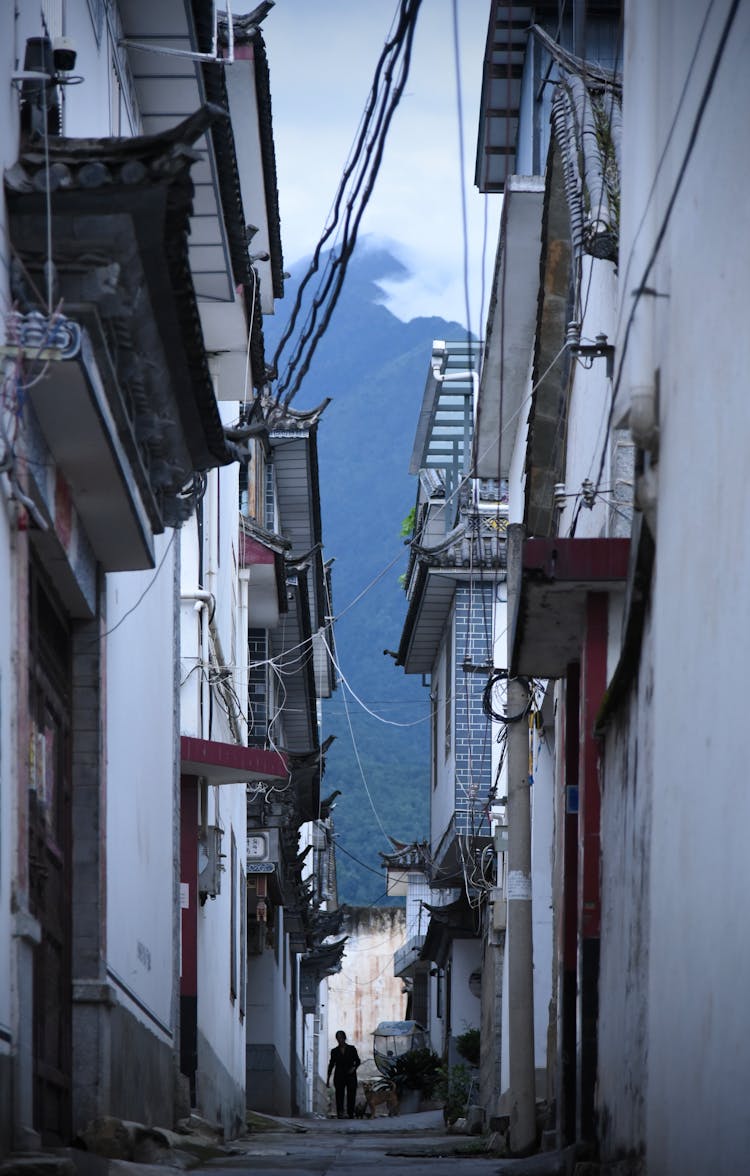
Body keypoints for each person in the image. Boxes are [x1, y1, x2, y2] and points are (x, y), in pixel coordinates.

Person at [326, 1029, 361, 1118]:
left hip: (351, 1075)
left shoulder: (352, 1049)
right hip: (339, 1076)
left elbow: (357, 1061)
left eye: (341, 1038)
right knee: (339, 1095)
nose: (339, 1040)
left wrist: (353, 1068)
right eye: (338, 1038)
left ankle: (350, 1113)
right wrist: (328, 1078)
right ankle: (340, 1113)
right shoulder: (334, 1051)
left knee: (351, 1095)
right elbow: (331, 1065)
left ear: (344, 1038)